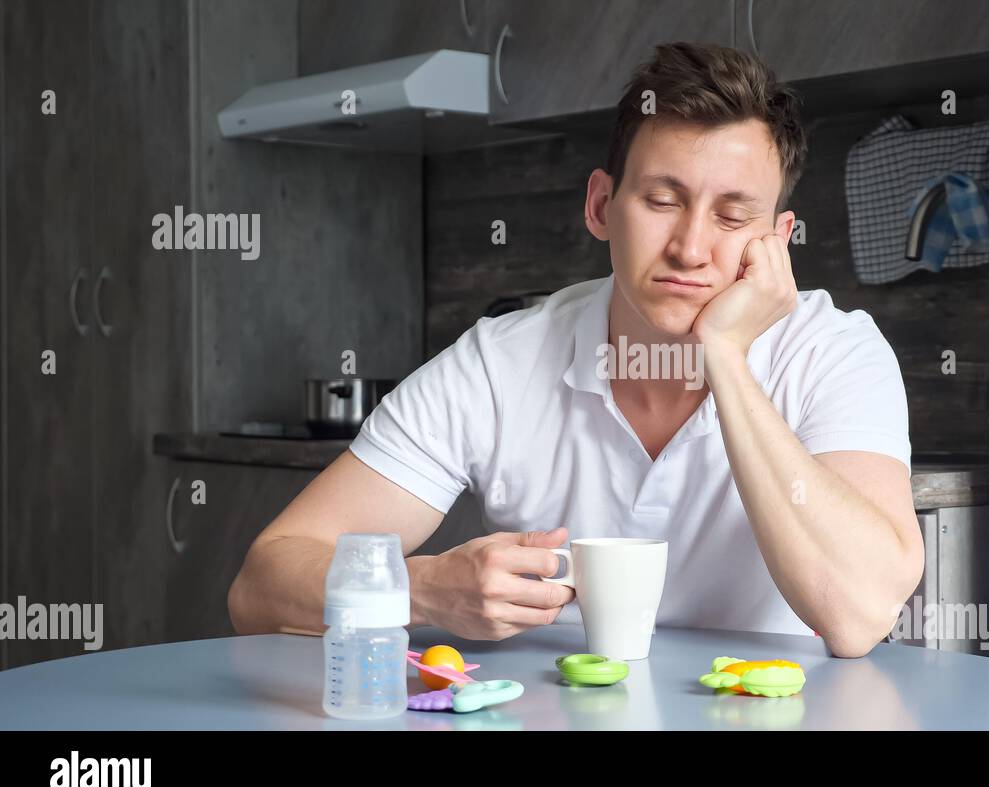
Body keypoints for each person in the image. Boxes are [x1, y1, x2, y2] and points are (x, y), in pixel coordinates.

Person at [228, 42, 922, 658]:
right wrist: (426, 588)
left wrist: (727, 359)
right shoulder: (501, 362)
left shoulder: (836, 353)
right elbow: (262, 585)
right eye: (661, 200)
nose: (690, 247)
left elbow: (858, 616)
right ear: (600, 205)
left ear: (778, 237)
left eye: (733, 216)